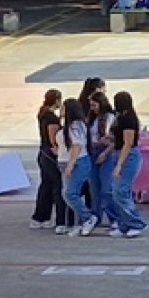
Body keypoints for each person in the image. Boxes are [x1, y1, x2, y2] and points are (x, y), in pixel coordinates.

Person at [109, 91, 147, 238]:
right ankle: (124, 224)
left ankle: (136, 223)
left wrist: (119, 164)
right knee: (117, 192)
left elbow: (128, 143)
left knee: (121, 191)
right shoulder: (120, 117)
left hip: (128, 156)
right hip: (119, 153)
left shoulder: (129, 119)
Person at [31, 89, 67, 232]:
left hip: (43, 153)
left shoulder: (43, 114)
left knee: (46, 185)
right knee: (57, 186)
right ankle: (58, 218)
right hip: (49, 155)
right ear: (57, 100)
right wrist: (56, 148)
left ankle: (40, 217)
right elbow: (53, 138)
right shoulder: (51, 118)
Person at [61, 98, 97, 237]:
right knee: (69, 193)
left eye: (63, 107)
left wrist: (70, 164)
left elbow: (77, 145)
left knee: (71, 193)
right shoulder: (76, 125)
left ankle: (88, 217)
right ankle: (81, 221)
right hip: (78, 161)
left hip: (79, 161)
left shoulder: (75, 126)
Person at [87, 91, 118, 229]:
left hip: (106, 152)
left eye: (94, 105)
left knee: (106, 188)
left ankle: (114, 218)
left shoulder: (110, 117)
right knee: (94, 188)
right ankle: (96, 216)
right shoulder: (92, 118)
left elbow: (113, 139)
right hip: (92, 151)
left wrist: (105, 152)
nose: (92, 108)